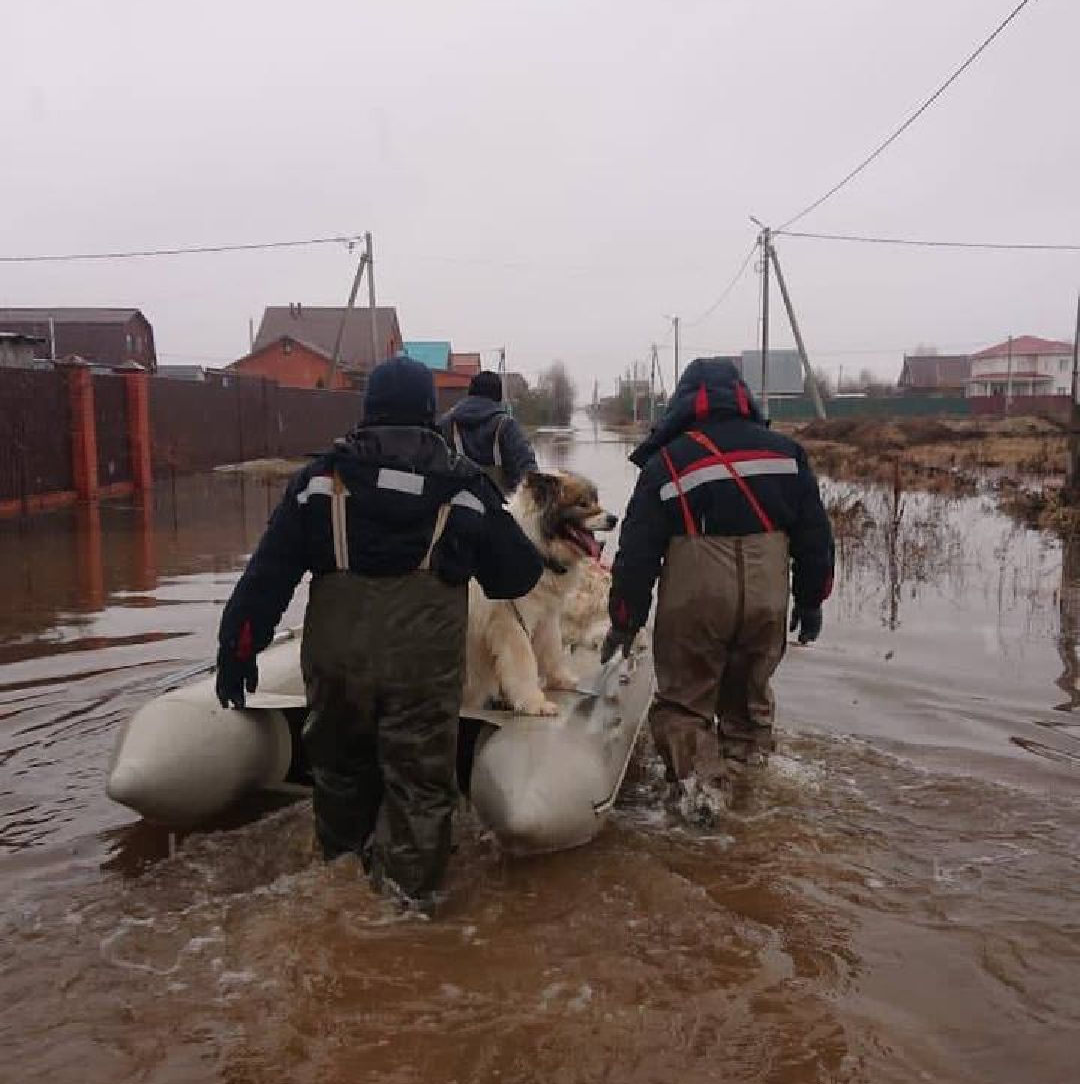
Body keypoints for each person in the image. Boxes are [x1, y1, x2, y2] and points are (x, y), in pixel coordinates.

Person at [215, 355, 543, 907]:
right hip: (422, 667)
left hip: (337, 661)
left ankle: (340, 885)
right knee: (419, 785)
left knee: (340, 773)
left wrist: (238, 649)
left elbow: (267, 575)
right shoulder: (464, 487)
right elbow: (517, 574)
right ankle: (407, 912)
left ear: (367, 409)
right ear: (428, 413)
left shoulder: (320, 480)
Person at [601, 357, 834, 793]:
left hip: (698, 598)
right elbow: (815, 536)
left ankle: (702, 801)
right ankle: (749, 796)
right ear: (742, 395)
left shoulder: (668, 463)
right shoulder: (786, 453)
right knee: (748, 704)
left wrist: (624, 620)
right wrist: (810, 599)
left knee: (684, 706)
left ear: (683, 402)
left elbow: (638, 553)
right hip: (767, 597)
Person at [438, 370, 537, 494]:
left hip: (455, 509)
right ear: (498, 397)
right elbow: (529, 475)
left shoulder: (446, 424)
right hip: (501, 509)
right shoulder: (507, 426)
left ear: (470, 393)